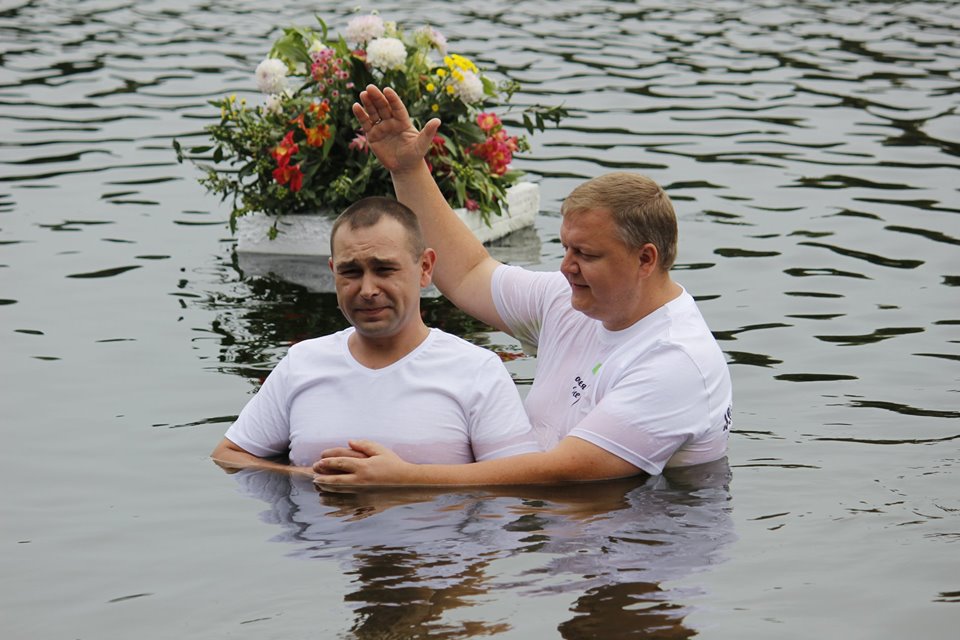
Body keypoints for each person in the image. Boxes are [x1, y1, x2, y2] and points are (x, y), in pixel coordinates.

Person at [313, 86, 733, 486]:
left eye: (586, 255)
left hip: (637, 538)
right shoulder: (568, 300)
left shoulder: (676, 361)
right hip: (552, 528)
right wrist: (407, 169)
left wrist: (405, 479)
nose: (567, 267)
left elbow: (568, 473)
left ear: (645, 259)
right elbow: (469, 272)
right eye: (565, 248)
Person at [211, 196, 541, 477]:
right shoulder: (302, 363)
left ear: (425, 268)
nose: (367, 290)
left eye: (384, 270)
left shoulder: (477, 370)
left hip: (436, 551)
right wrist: (304, 477)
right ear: (332, 272)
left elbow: (519, 479)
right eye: (350, 272)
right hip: (324, 550)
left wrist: (404, 482)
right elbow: (229, 455)